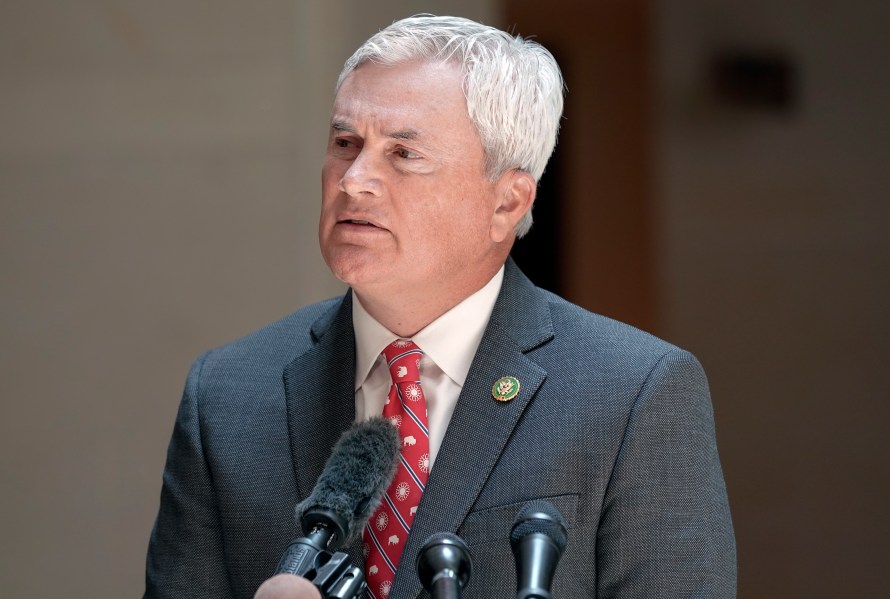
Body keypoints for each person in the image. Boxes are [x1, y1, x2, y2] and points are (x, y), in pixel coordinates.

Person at [144, 14, 736, 599]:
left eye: (403, 153)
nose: (354, 181)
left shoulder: (633, 392)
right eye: (345, 143)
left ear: (507, 202)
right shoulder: (228, 395)